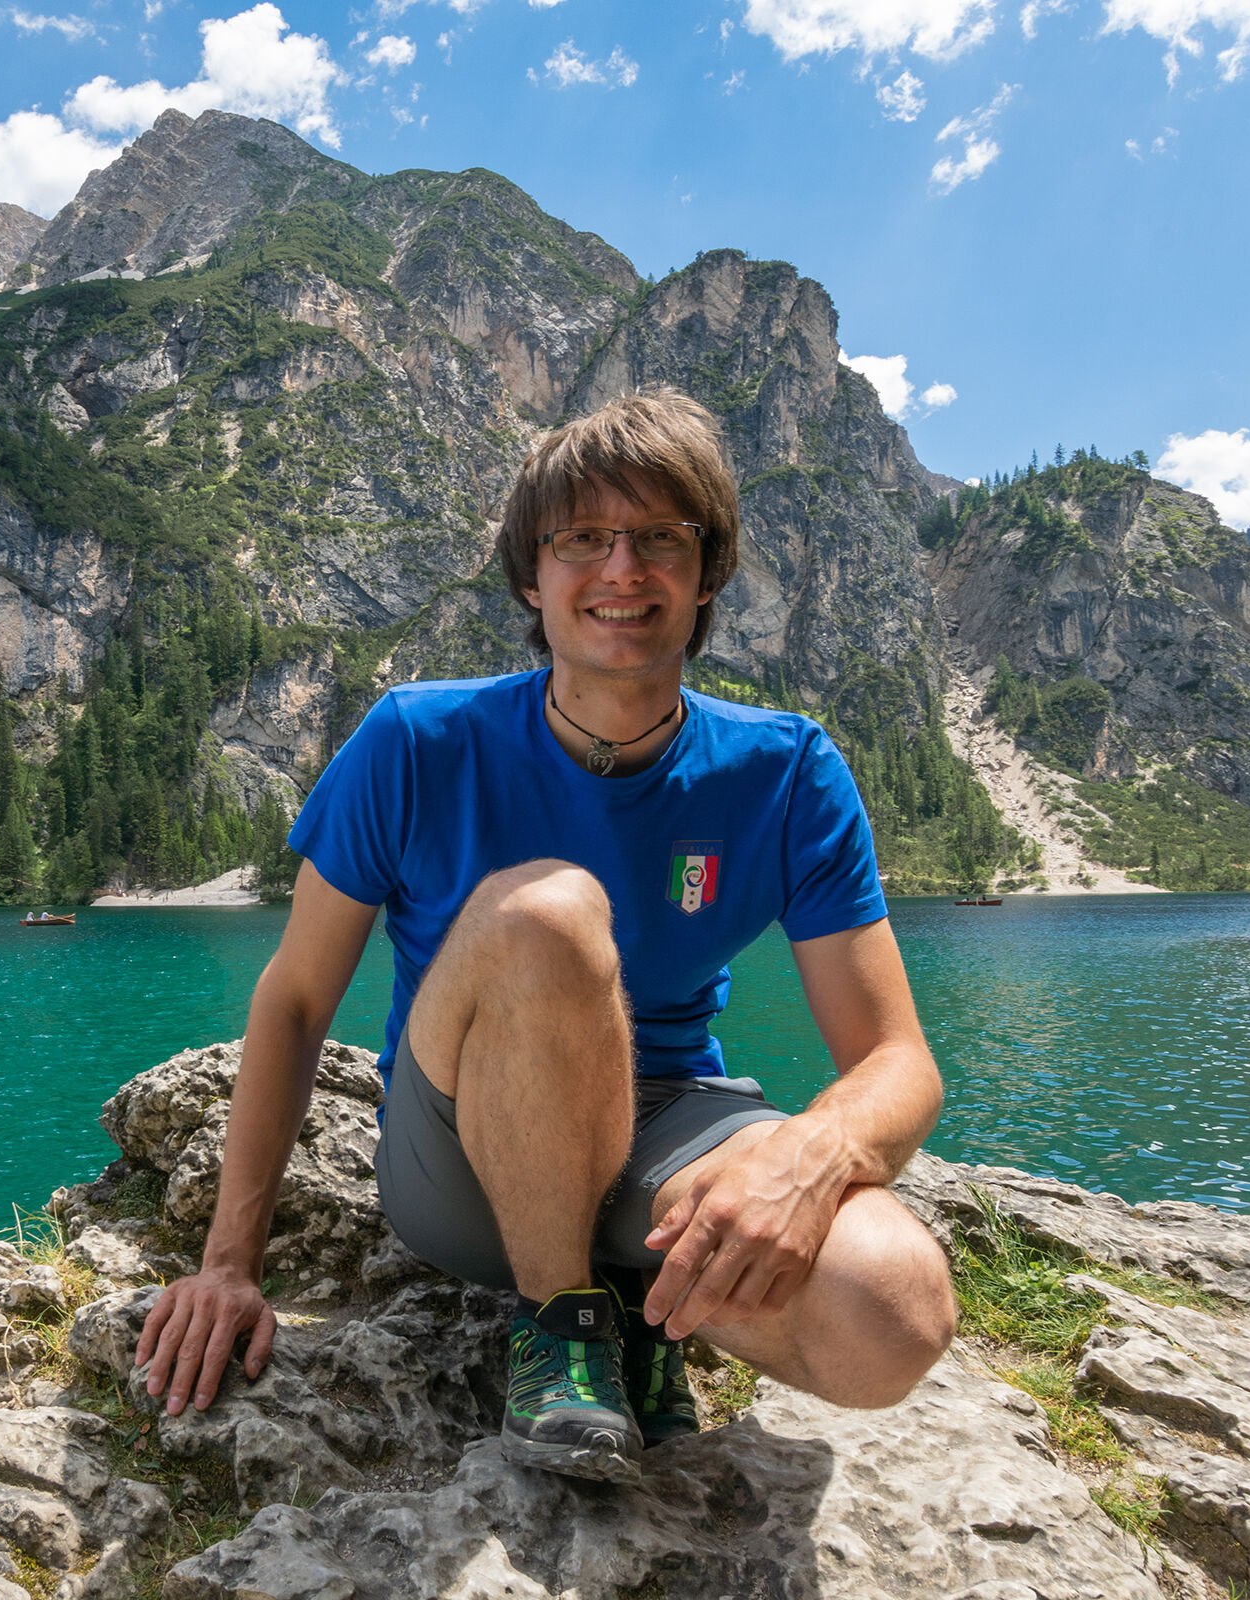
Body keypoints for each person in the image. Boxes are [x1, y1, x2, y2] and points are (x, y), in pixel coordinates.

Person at [132, 390, 957, 1483]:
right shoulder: (417, 740)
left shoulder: (787, 771)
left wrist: (811, 1157)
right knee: (548, 913)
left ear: (708, 574)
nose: (623, 569)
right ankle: (562, 1320)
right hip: (467, 1145)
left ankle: (640, 1302)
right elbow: (291, 1003)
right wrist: (229, 1262)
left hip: (669, 1128)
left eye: (663, 537)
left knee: (894, 1309)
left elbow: (899, 1061)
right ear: (533, 575)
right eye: (582, 539)